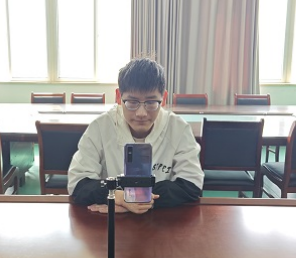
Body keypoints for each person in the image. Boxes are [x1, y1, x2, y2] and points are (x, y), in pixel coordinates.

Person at [68, 57, 204, 214]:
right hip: (111, 220)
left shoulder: (178, 128)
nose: (141, 113)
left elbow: (192, 184)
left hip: (161, 219)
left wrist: (134, 200)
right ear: (118, 97)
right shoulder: (100, 126)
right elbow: (78, 183)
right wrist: (117, 197)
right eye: (132, 102)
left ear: (163, 98)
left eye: (151, 102)